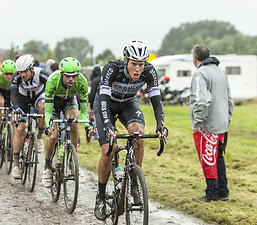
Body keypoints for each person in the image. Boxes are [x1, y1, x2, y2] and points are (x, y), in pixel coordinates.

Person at [93, 40, 168, 221]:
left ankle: (134, 181)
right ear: (125, 60)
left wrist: (160, 124)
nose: (137, 69)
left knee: (138, 134)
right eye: (133, 64)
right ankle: (101, 197)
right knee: (108, 151)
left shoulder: (149, 71)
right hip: (106, 105)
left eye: (140, 64)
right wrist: (108, 125)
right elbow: (103, 99)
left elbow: (156, 99)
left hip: (127, 104)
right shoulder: (112, 69)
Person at [190, 45, 234, 202]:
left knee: (208, 158)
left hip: (207, 125)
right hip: (222, 123)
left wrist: (199, 120)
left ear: (195, 59)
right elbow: (229, 98)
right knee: (219, 157)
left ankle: (212, 194)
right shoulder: (221, 72)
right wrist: (228, 118)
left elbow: (201, 99)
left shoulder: (200, 73)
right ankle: (223, 191)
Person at [43, 57, 93, 188]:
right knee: (53, 135)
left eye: (74, 76)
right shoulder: (53, 81)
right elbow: (47, 112)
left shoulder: (82, 82)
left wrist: (87, 126)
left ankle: (71, 157)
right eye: (68, 76)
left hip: (69, 101)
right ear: (61, 74)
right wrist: (49, 125)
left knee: (75, 123)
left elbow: (83, 111)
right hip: (53, 104)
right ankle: (47, 167)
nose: (71, 79)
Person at [10, 54, 49, 179]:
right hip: (22, 99)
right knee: (20, 129)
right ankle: (16, 164)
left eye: (25, 72)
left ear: (32, 69)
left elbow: (50, 93)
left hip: (37, 97)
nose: (22, 75)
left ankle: (39, 136)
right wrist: (18, 108)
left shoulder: (42, 74)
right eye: (20, 72)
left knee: (43, 107)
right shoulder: (16, 77)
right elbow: (13, 96)